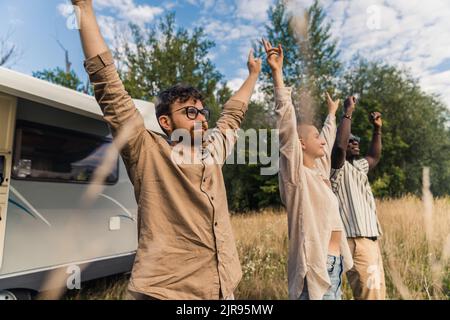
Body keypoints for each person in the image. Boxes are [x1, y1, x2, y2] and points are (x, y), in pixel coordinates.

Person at [71, 0, 262, 300]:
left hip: (223, 290)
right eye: (189, 112)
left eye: (202, 112)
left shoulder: (212, 152)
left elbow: (232, 116)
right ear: (166, 122)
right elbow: (107, 85)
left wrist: (253, 75)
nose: (200, 118)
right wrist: (84, 7)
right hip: (165, 293)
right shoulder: (146, 151)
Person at [262, 39, 353, 300]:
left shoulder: (319, 171)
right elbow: (286, 127)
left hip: (334, 268)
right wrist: (278, 75)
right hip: (316, 268)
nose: (322, 141)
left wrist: (333, 113)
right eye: (315, 137)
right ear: (301, 144)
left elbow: (329, 134)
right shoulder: (296, 177)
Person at [330, 96, 386, 300]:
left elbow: (374, 156)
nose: (355, 142)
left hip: (370, 240)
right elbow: (338, 148)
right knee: (369, 296)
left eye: (357, 141)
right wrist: (348, 112)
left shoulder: (358, 167)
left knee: (376, 294)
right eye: (350, 140)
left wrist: (377, 129)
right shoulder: (337, 168)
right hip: (356, 240)